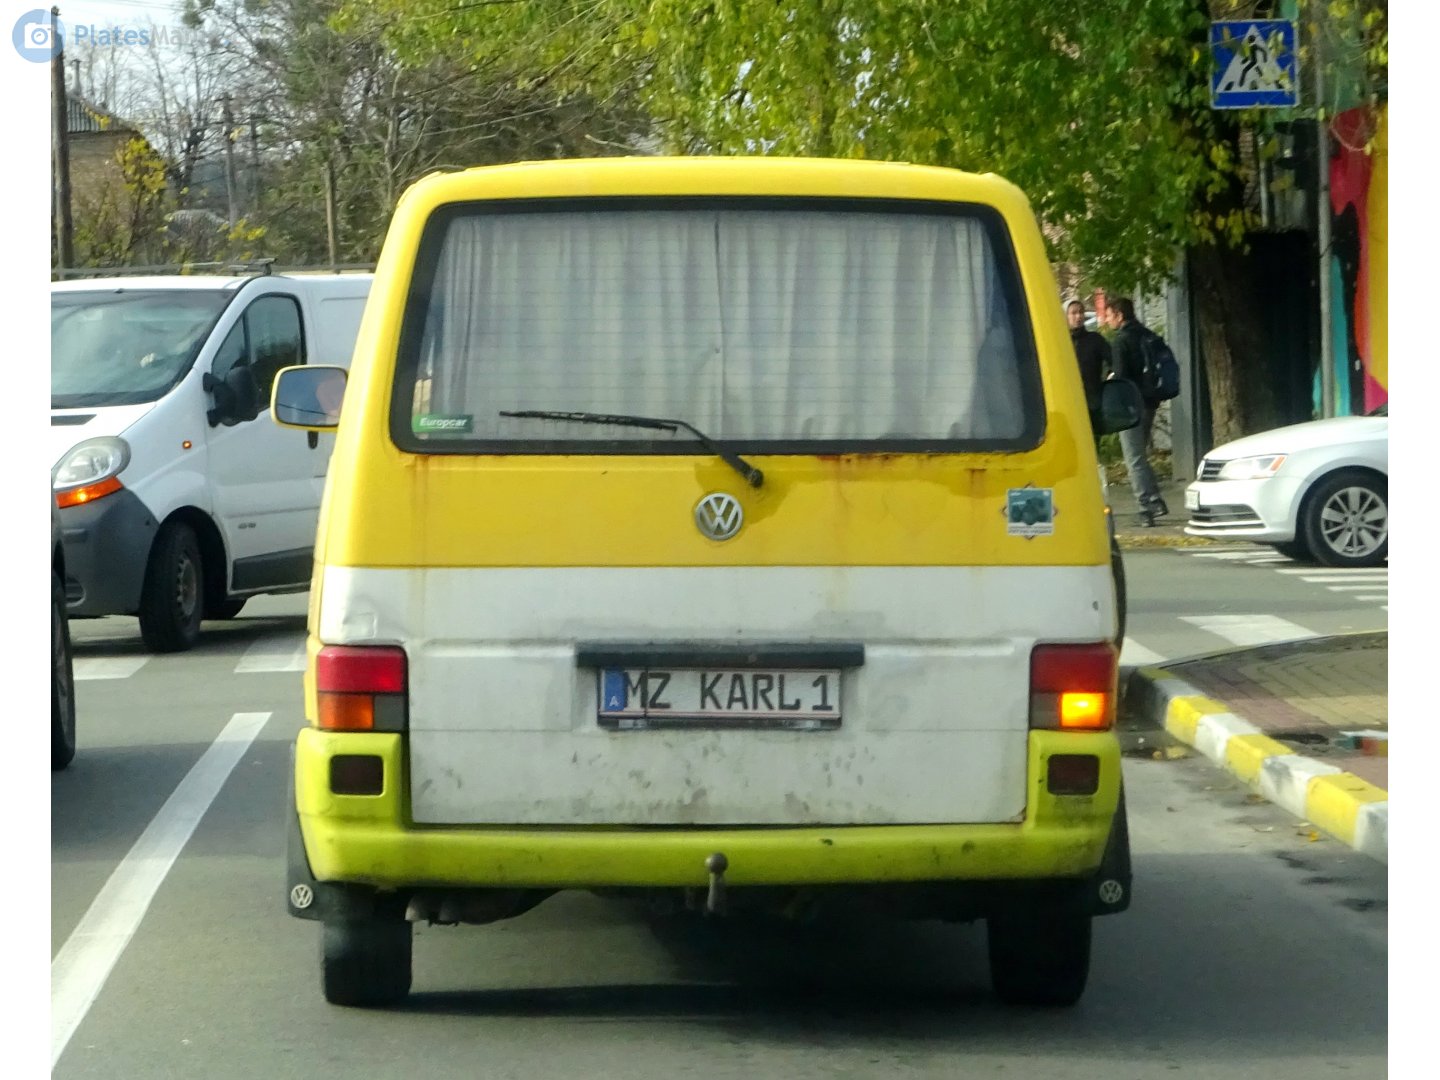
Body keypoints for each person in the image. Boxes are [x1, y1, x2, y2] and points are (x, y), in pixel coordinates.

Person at [1104, 297, 1168, 525]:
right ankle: (1156, 500)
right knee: (1141, 455)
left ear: (1120, 315)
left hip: (1131, 406)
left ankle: (1146, 506)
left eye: (1109, 315)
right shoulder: (1146, 335)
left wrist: (1109, 378)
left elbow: (1120, 375)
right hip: (1150, 403)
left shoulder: (1121, 341)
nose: (1107, 319)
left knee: (1134, 459)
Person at [1065, 298, 1111, 447]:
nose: (1078, 316)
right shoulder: (1061, 341)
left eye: (1081, 312)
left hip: (1092, 400)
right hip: (1067, 401)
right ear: (1065, 316)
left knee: (1090, 444)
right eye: (1073, 313)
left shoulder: (1094, 340)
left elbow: (1113, 360)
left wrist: (1109, 377)